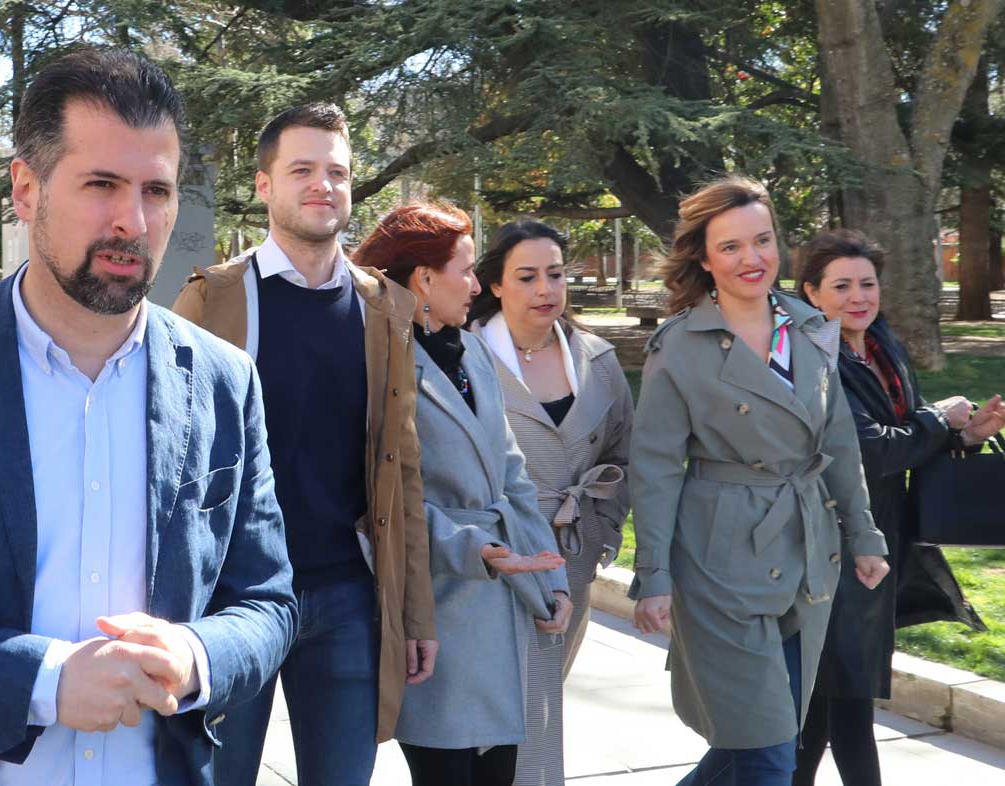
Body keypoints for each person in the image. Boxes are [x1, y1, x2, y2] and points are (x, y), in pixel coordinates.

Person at [0, 49, 297, 786]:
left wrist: (196, 658)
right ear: (26, 189)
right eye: (102, 184)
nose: (132, 221)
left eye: (156, 191)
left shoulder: (225, 381)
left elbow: (267, 602)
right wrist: (41, 680)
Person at [171, 104, 437, 786]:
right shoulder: (214, 300)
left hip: (347, 598)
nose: (323, 185)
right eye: (302, 170)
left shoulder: (384, 310)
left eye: (338, 172)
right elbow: (166, 467)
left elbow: (401, 469)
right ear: (265, 186)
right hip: (233, 602)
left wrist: (413, 613)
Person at [628, 176, 891, 786]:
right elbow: (657, 468)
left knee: (756, 747)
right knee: (769, 751)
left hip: (808, 550)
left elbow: (838, 441)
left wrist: (864, 535)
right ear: (702, 256)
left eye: (763, 241)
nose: (752, 259)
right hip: (720, 559)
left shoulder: (810, 327)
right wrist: (654, 576)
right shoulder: (680, 345)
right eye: (730, 247)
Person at [353, 202, 571, 786]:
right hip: (434, 607)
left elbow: (512, 474)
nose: (478, 285)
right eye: (467, 270)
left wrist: (549, 580)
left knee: (500, 771)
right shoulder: (376, 359)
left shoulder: (471, 349)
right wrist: (469, 546)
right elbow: (375, 500)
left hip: (500, 606)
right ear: (423, 278)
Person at [793, 229, 1001, 786]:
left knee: (822, 705)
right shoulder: (815, 359)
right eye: (841, 285)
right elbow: (870, 450)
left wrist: (965, 436)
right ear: (812, 292)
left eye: (867, 283)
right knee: (848, 698)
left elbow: (905, 438)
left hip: (884, 539)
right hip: (833, 540)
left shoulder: (882, 346)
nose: (859, 296)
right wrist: (939, 419)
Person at [467, 219, 632, 786]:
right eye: (528, 276)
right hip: (493, 561)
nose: (545, 290)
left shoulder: (599, 360)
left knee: (544, 701)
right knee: (504, 715)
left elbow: (622, 452)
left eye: (556, 275)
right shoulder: (462, 358)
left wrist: (602, 525)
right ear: (495, 284)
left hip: (570, 553)